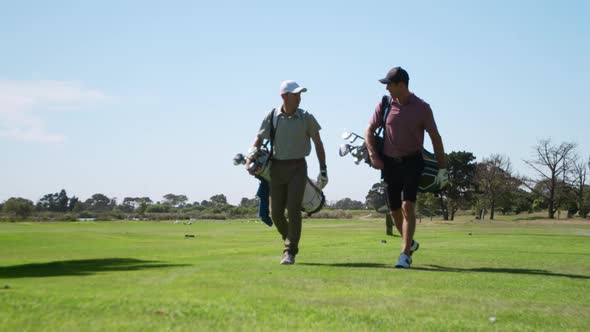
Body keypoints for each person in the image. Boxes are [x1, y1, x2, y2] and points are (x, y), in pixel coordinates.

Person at [364, 67, 448, 268]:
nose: (387, 89)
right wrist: (374, 155)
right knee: (394, 210)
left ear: (401, 85)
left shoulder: (422, 108)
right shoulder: (384, 105)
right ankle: (409, 242)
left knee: (407, 205)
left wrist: (442, 169)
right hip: (390, 164)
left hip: (412, 162)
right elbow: (369, 130)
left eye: (389, 85)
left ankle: (405, 255)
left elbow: (435, 138)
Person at [247, 80, 327, 265]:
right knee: (275, 213)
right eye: (296, 94)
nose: (299, 98)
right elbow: (258, 139)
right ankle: (290, 239)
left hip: (298, 167)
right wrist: (250, 158)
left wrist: (323, 169)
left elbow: (318, 144)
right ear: (284, 96)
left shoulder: (306, 117)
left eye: (300, 95)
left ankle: (289, 251)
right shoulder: (272, 116)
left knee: (293, 209)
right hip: (276, 168)